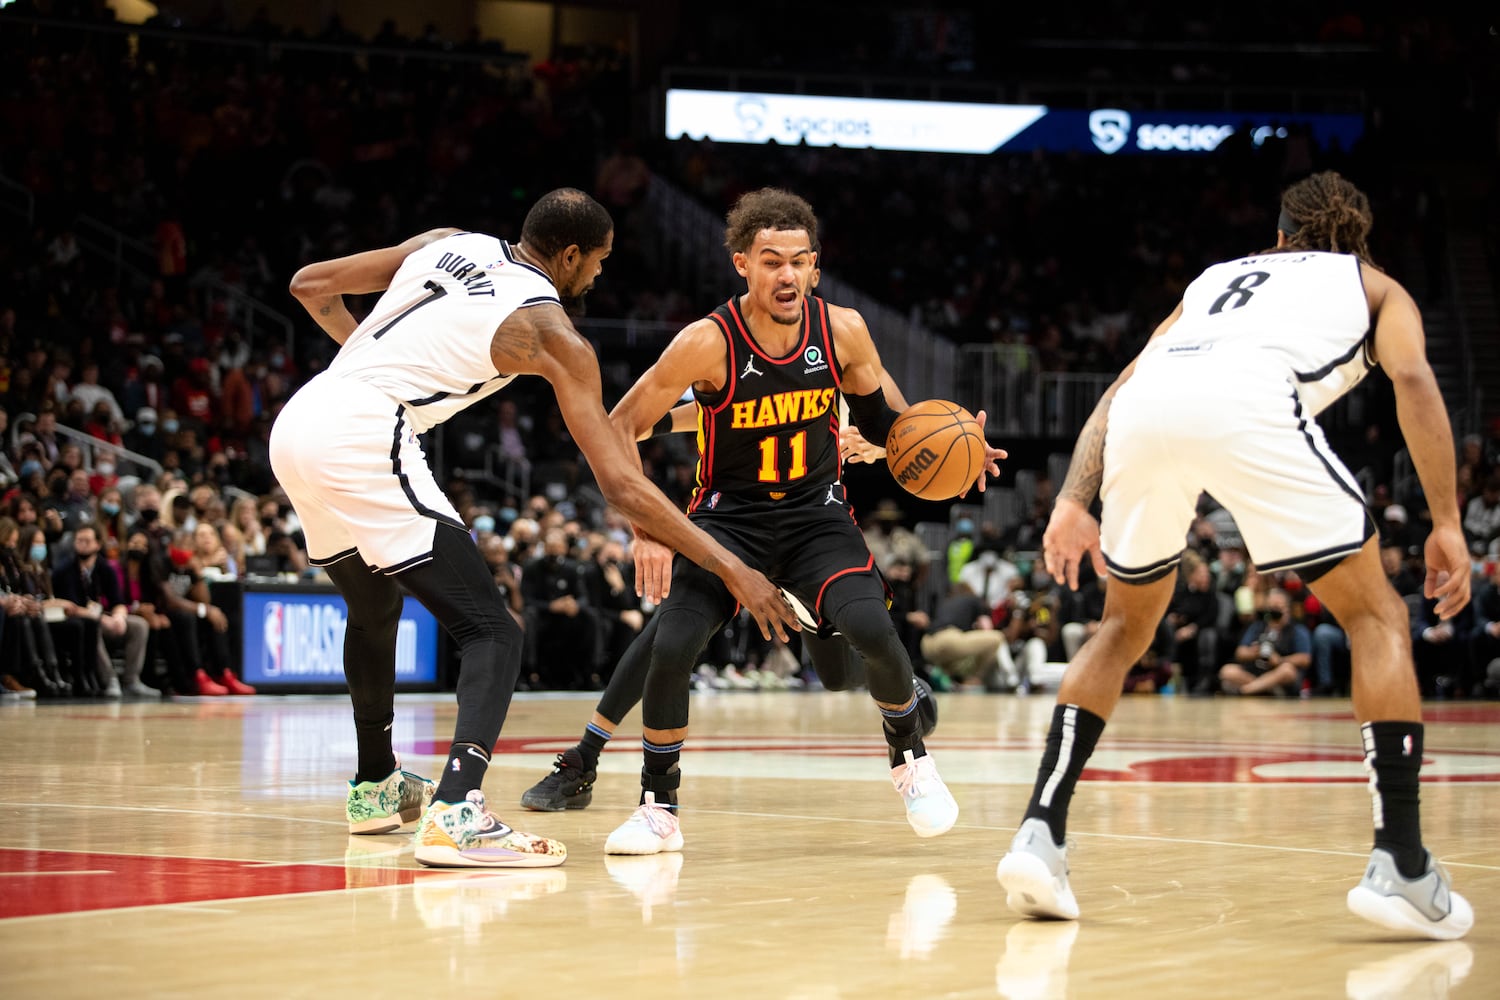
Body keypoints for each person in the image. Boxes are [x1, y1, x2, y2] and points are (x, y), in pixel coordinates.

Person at [995, 172, 1473, 940]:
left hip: (1150, 408)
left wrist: (1071, 500)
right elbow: (1412, 377)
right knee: (1377, 618)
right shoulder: (1376, 286)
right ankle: (1402, 862)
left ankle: (1038, 833)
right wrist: (1445, 520)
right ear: (1359, 240)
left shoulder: (1216, 278)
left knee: (1122, 628)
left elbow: (1126, 383)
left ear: (1279, 237)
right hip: (1248, 402)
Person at [270, 188, 798, 869]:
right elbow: (621, 485)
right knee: (493, 630)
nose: (599, 276)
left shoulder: (445, 237)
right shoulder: (553, 333)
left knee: (373, 605)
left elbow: (309, 285)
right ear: (571, 255)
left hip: (304, 416)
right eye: (600, 263)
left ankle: (375, 787)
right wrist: (733, 567)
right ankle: (457, 810)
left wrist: (368, 366)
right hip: (364, 430)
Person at [555, 187, 1002, 855]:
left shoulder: (843, 329)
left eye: (798, 261)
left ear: (815, 268)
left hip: (814, 516)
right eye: (771, 261)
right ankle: (659, 809)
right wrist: (646, 528)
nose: (786, 274)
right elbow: (619, 425)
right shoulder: (706, 342)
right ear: (743, 265)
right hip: (727, 519)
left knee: (874, 632)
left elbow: (893, 424)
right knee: (673, 649)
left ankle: (911, 761)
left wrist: (951, 447)